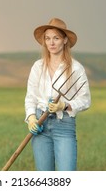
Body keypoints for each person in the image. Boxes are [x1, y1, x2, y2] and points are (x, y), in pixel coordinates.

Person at [24, 17, 91, 171]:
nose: (51, 43)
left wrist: (65, 105)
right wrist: (32, 118)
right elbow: (31, 97)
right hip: (41, 124)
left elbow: (86, 100)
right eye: (47, 38)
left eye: (56, 38)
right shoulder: (38, 67)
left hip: (64, 126)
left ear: (65, 40)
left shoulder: (76, 69)